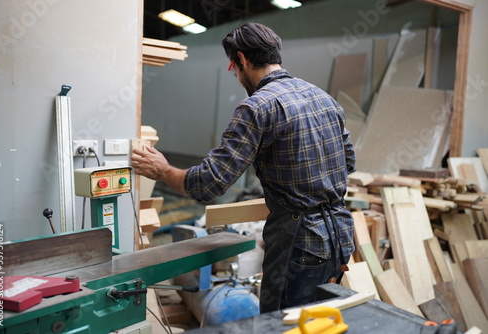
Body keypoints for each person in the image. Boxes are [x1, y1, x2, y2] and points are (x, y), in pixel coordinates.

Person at [131, 22, 355, 314]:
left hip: (299, 245)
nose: (236, 77)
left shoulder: (257, 107)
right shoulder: (324, 98)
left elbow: (208, 184)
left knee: (281, 324)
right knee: (321, 321)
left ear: (242, 60)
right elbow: (348, 162)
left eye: (233, 68)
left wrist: (163, 170)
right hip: (340, 236)